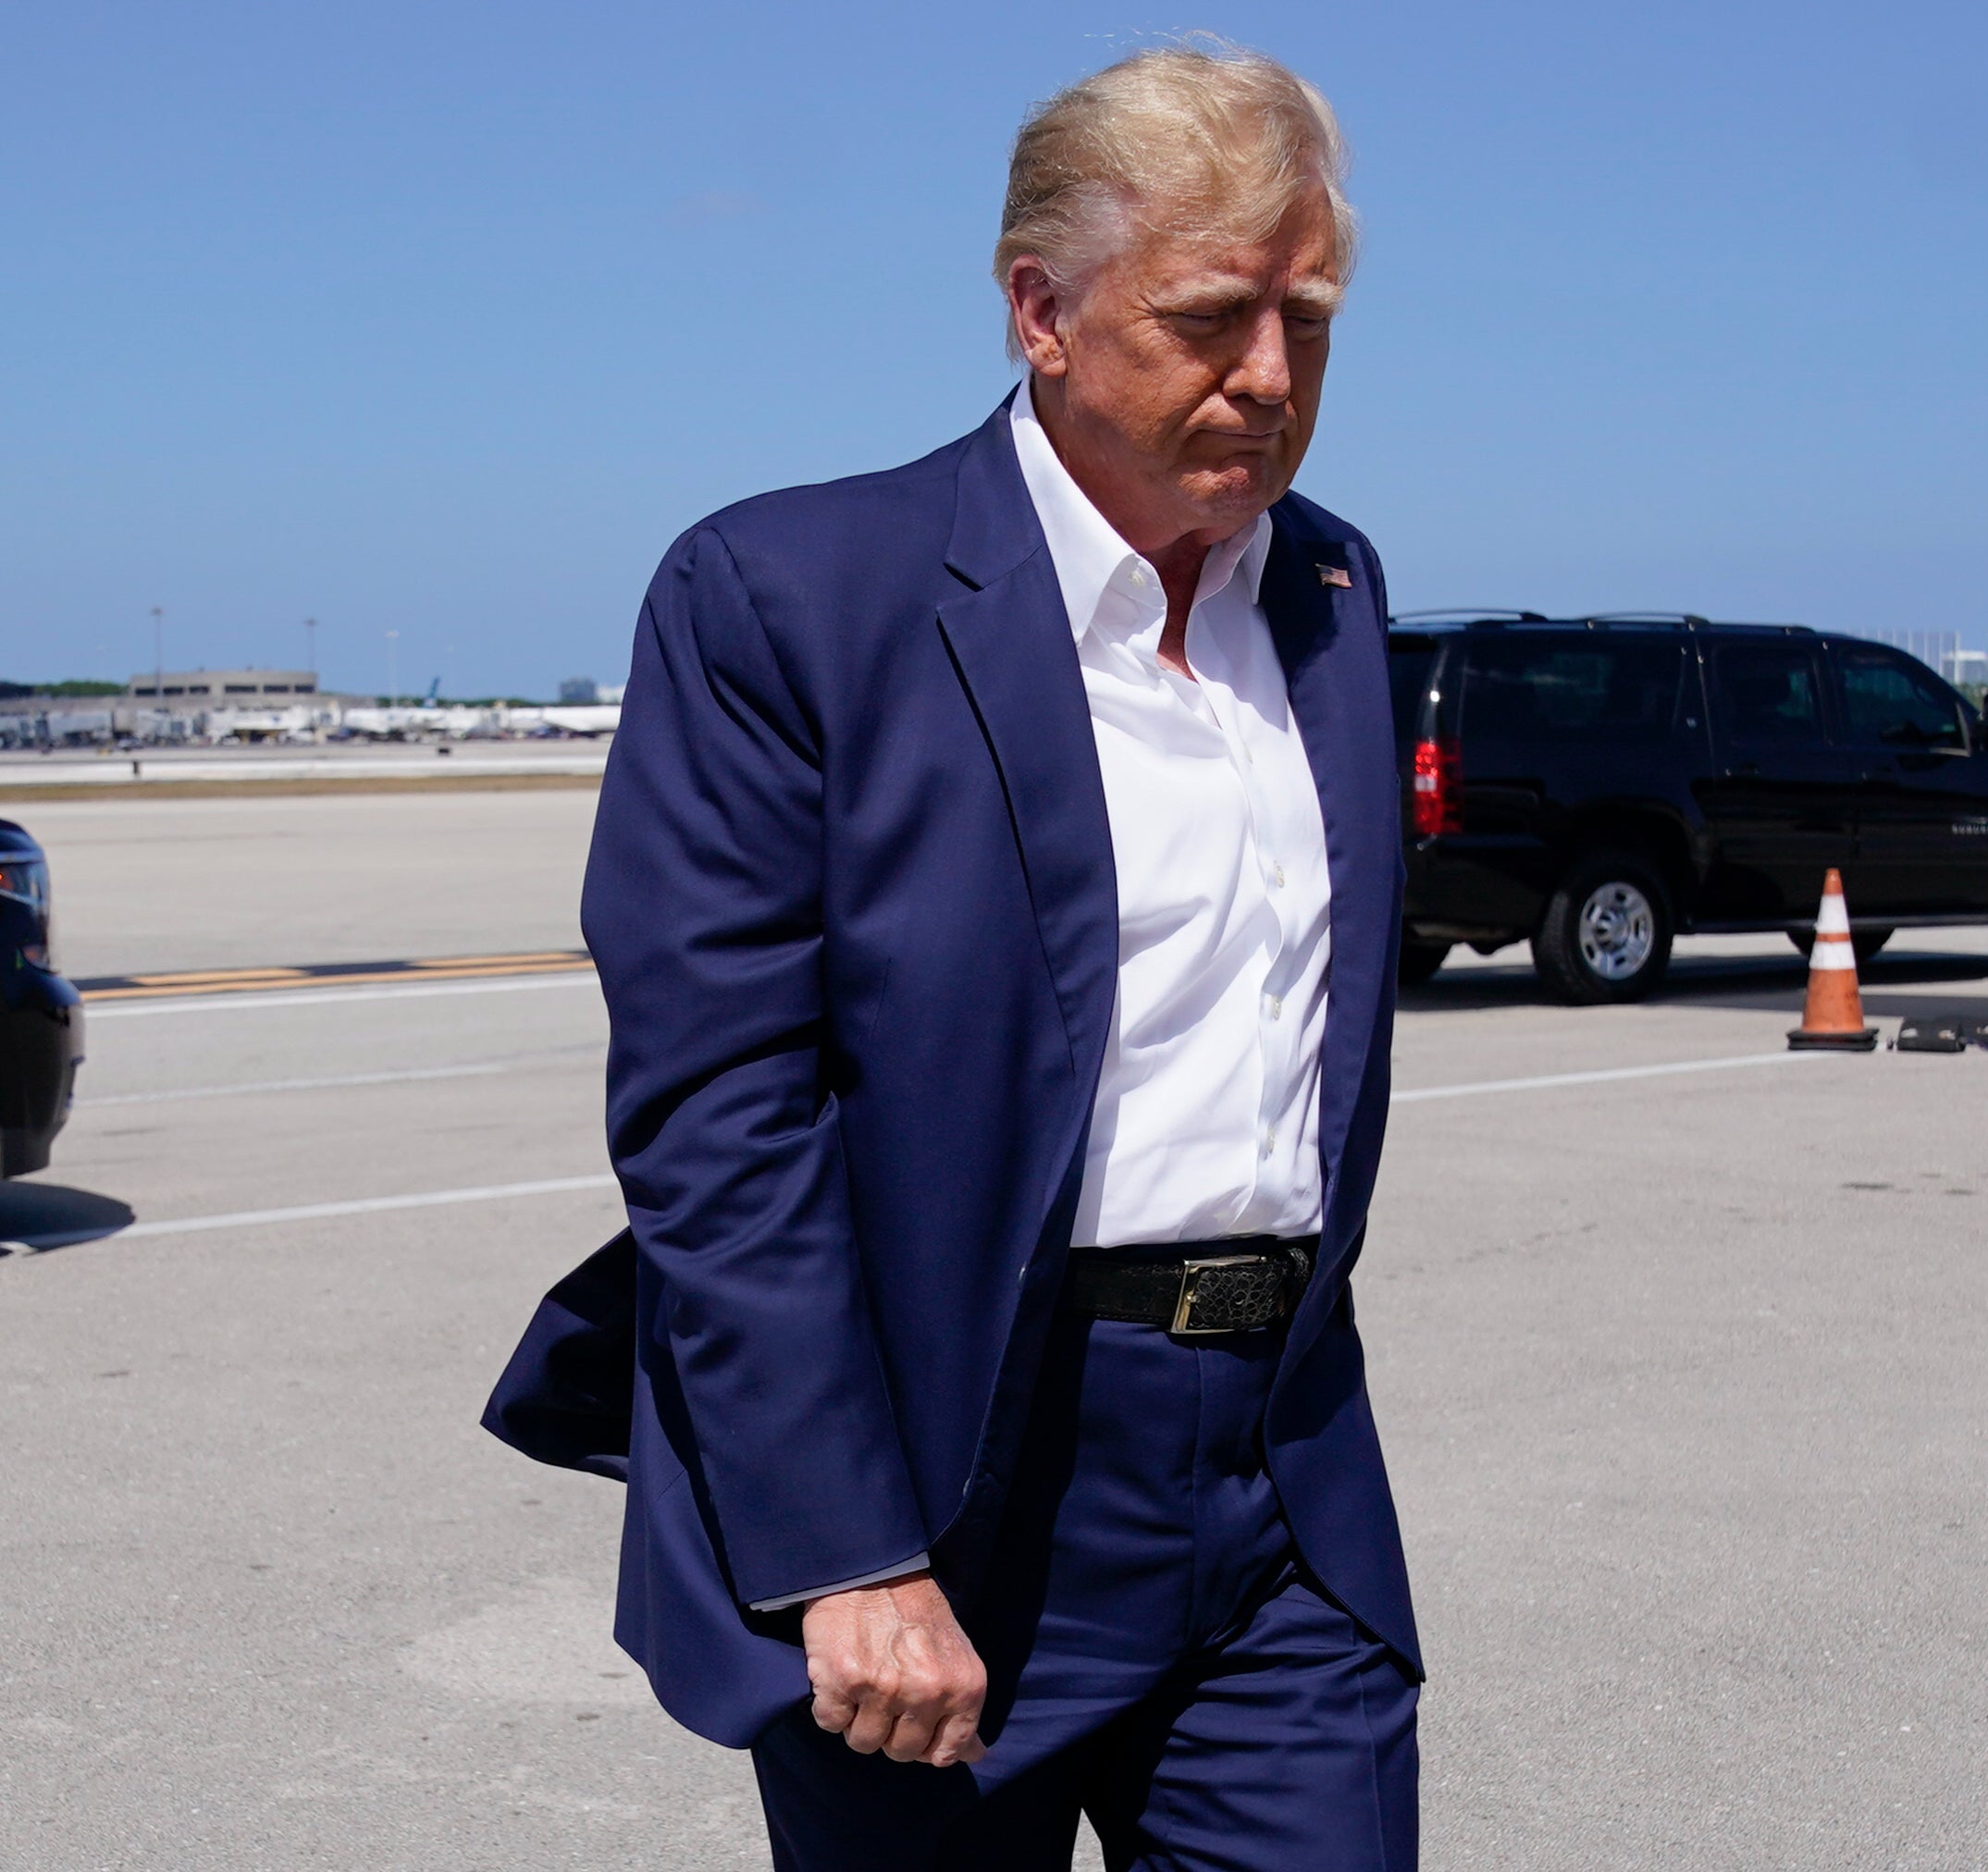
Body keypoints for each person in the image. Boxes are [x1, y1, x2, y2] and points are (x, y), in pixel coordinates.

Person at [484, 43, 1419, 1872]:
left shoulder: (1329, 591)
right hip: (941, 1483)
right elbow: (719, 1114)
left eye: (1309, 318)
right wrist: (844, 1548)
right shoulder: (789, 600)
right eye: (1213, 314)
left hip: (1272, 1476)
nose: (1272, 375)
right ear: (1040, 314)